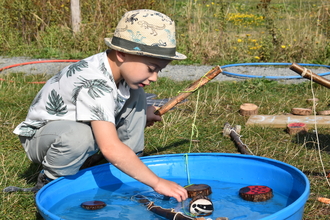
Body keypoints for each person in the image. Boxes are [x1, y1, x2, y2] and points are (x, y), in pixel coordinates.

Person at [11, 9, 188, 202]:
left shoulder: (123, 73)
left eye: (159, 70)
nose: (154, 77)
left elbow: (115, 102)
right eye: (151, 69)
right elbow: (110, 147)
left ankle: (127, 162)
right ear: (122, 54)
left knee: (137, 90)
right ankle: (50, 181)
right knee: (79, 137)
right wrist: (157, 182)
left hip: (81, 125)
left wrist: (143, 112)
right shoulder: (95, 82)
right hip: (44, 138)